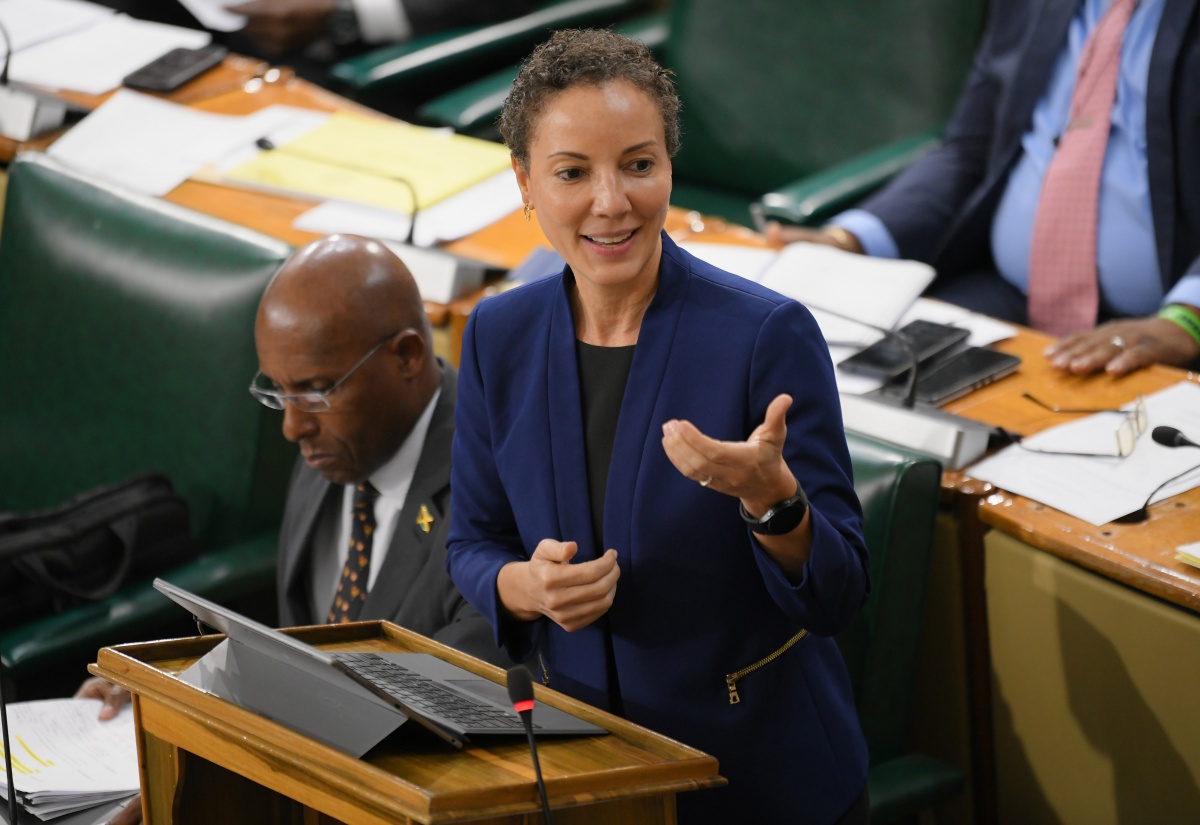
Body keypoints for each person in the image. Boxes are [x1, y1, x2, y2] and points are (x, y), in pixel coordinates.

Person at [446, 29, 870, 825]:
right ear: (525, 183)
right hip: (583, 774)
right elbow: (472, 541)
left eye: (639, 165)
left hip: (753, 779)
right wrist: (522, 585)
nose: (613, 202)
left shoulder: (764, 335)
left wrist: (774, 502)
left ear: (670, 167)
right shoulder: (496, 335)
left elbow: (839, 594)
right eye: (573, 173)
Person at [78, 233, 507, 825]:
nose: (293, 426)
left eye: (314, 390)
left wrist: (203, 725)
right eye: (277, 392)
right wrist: (173, 689)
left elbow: (452, 694)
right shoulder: (336, 445)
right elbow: (302, 653)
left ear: (408, 356)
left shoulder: (502, 480)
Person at [767, 0, 1200, 378]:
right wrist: (852, 240)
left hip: (1161, 321)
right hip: (1004, 293)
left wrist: (1187, 319)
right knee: (825, 384)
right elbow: (971, 149)